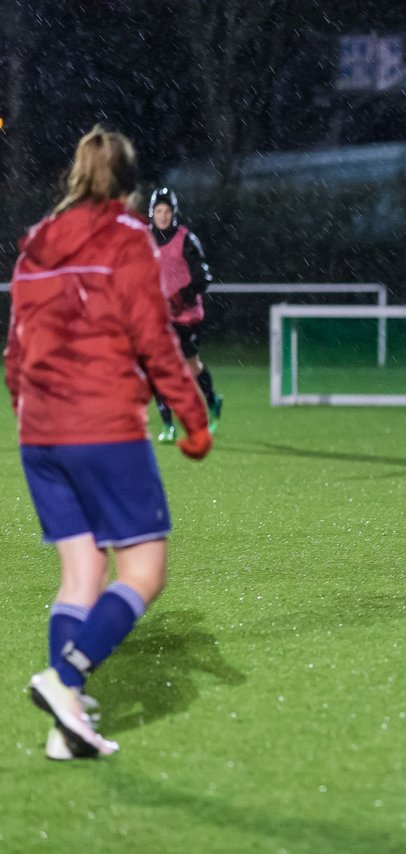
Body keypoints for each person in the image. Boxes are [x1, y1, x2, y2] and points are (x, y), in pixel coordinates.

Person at [5, 126, 213, 759]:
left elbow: (15, 347)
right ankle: (65, 678)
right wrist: (192, 416)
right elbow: (154, 340)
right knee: (144, 572)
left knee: (82, 573)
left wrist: (29, 409)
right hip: (100, 427)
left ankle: (65, 729)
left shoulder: (38, 240)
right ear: (130, 187)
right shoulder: (126, 240)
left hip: (39, 432)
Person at [148, 187, 222, 442]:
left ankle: (212, 402)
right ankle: (168, 425)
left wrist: (180, 297)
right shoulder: (144, 240)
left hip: (186, 317)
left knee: (191, 368)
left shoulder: (186, 240)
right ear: (152, 213)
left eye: (167, 211)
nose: (163, 216)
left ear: (174, 213)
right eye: (159, 211)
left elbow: (203, 277)